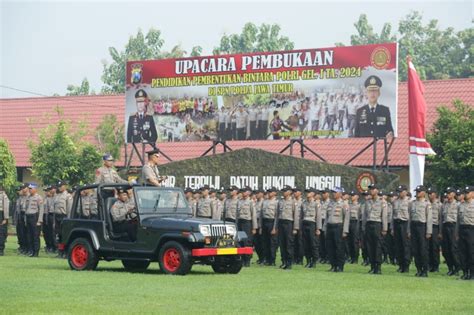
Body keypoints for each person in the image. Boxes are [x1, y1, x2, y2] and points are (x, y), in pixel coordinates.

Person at [362, 184, 388, 274]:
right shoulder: (368, 202)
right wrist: (364, 227)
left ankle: (378, 267)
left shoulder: (382, 202)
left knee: (377, 246)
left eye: (373, 189)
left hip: (377, 224)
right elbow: (365, 216)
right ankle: (372, 266)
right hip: (369, 224)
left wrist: (384, 228)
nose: (371, 191)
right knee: (370, 246)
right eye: (370, 189)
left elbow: (384, 216)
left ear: (377, 190)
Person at [324, 187, 350, 272]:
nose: (333, 194)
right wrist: (325, 228)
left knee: (339, 247)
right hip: (330, 226)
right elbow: (326, 217)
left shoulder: (344, 204)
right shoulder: (330, 203)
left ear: (340, 193)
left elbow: (346, 218)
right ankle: (333, 265)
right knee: (330, 247)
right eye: (333, 192)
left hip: (338, 227)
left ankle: (340, 266)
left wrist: (345, 230)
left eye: (335, 192)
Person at [409, 185, 433, 277]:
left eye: (419, 191)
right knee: (415, 249)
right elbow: (410, 218)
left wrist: (428, 232)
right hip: (414, 226)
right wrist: (409, 230)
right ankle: (418, 269)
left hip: (422, 227)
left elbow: (429, 219)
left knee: (423, 249)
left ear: (423, 193)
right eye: (416, 191)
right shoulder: (412, 203)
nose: (417, 193)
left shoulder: (427, 204)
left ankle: (425, 270)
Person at [275, 186, 299, 270]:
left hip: (289, 224)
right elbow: (277, 215)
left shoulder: (293, 202)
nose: (283, 192)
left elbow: (296, 216)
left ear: (289, 192)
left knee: (289, 244)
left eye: (285, 191)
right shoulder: (280, 202)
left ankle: (289, 263)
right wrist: (276, 227)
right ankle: (284, 261)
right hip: (281, 223)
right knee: (282, 244)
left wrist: (295, 228)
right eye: (283, 191)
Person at [441, 186, 461, 276]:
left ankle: (457, 267)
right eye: (447, 193)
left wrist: (457, 232)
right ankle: (450, 268)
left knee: (453, 249)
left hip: (453, 227)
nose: (447, 195)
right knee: (446, 249)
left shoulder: (458, 205)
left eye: (449, 193)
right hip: (445, 227)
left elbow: (459, 219)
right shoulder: (444, 204)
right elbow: (441, 219)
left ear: (453, 194)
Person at [391, 184, 411, 273]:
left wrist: (409, 229)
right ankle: (400, 265)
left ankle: (406, 265)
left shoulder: (410, 202)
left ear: (405, 192)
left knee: (405, 245)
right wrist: (392, 228)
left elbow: (411, 217)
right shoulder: (395, 201)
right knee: (398, 246)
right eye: (398, 192)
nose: (399, 193)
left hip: (405, 223)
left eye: (401, 191)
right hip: (397, 223)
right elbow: (392, 216)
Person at [236, 187, 258, 267]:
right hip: (240, 222)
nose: (243, 193)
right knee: (240, 241)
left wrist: (254, 227)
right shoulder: (239, 201)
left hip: (247, 223)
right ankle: (242, 259)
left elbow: (254, 215)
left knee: (247, 242)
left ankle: (247, 260)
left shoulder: (251, 202)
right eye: (242, 192)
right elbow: (236, 214)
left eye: (244, 192)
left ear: (248, 193)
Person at [301, 188, 322, 268]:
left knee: (312, 244)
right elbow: (302, 216)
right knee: (306, 244)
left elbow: (318, 217)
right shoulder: (304, 203)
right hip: (305, 224)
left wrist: (318, 228)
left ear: (313, 194)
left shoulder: (317, 204)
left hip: (312, 224)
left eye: (309, 192)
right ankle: (308, 260)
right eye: (307, 192)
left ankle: (314, 261)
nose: (307, 194)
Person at [457, 185, 474, 280]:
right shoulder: (461, 205)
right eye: (465, 193)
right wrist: (456, 232)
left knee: (471, 252)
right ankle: (465, 272)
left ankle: (472, 273)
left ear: (472, 193)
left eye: (467, 193)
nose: (465, 194)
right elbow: (458, 220)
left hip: (471, 229)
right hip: (462, 229)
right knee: (462, 252)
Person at [260, 188, 279, 266]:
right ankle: (266, 259)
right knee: (265, 242)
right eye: (268, 192)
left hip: (272, 222)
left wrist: (275, 228)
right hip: (265, 222)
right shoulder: (264, 202)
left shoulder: (277, 202)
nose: (269, 193)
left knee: (272, 243)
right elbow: (261, 215)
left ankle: (272, 260)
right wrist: (260, 226)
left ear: (275, 193)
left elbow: (276, 216)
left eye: (271, 192)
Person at [54, 180, 73, 257]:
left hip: (64, 217)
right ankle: (60, 252)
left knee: (65, 235)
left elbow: (69, 209)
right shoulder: (57, 196)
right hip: (57, 217)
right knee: (59, 235)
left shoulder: (68, 196)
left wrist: (68, 220)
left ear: (65, 186)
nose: (59, 188)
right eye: (58, 186)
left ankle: (65, 252)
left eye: (61, 186)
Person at [25, 183, 44, 257]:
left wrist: (39, 221)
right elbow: (26, 209)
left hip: (35, 217)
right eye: (29, 188)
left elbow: (41, 210)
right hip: (29, 217)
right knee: (29, 235)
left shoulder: (39, 198)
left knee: (35, 236)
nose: (29, 190)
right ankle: (31, 251)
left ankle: (36, 252)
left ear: (35, 189)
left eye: (31, 188)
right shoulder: (28, 197)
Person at [427, 187, 442, 272]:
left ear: (435, 194)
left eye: (431, 193)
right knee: (428, 246)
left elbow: (440, 218)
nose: (429, 195)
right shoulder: (427, 204)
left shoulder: (439, 205)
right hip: (427, 227)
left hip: (435, 227)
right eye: (428, 193)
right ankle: (430, 265)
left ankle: (436, 266)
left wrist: (440, 231)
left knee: (435, 247)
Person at [347, 190, 361, 264]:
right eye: (351, 195)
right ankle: (351, 257)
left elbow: (360, 216)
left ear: (357, 197)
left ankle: (355, 258)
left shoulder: (359, 206)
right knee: (349, 241)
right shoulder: (349, 205)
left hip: (355, 223)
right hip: (349, 223)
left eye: (353, 195)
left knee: (355, 241)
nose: (351, 197)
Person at [0, 185, 10, 256]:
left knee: (1, 233)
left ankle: (1, 249)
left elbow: (6, 208)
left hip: (1, 215)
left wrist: (5, 218)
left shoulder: (4, 196)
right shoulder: (3, 195)